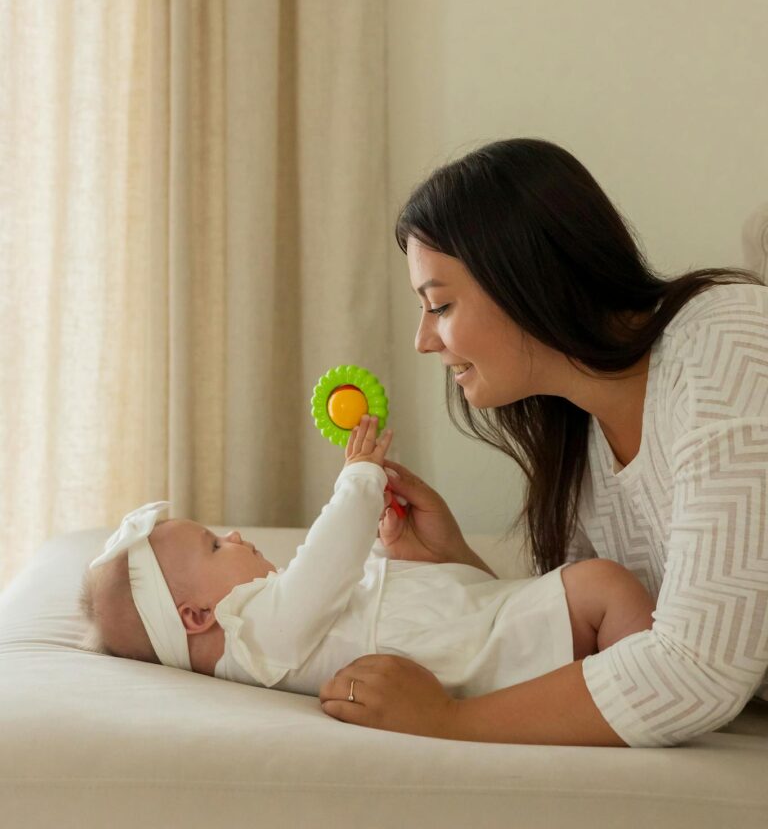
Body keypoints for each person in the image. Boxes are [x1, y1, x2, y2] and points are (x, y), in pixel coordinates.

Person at [319, 138, 768, 748]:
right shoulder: (580, 435)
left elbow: (697, 672)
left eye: (440, 305)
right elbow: (604, 650)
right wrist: (458, 565)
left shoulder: (728, 342)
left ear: (528, 279)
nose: (424, 340)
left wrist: (447, 721)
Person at [81, 414, 655, 698]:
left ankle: (646, 682)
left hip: (485, 623)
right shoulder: (253, 639)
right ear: (197, 616)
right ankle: (657, 693)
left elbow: (356, 597)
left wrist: (388, 546)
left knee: (595, 589)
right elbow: (324, 567)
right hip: (492, 653)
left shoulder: (269, 629)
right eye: (213, 545)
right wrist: (357, 481)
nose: (232, 536)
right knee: (603, 585)